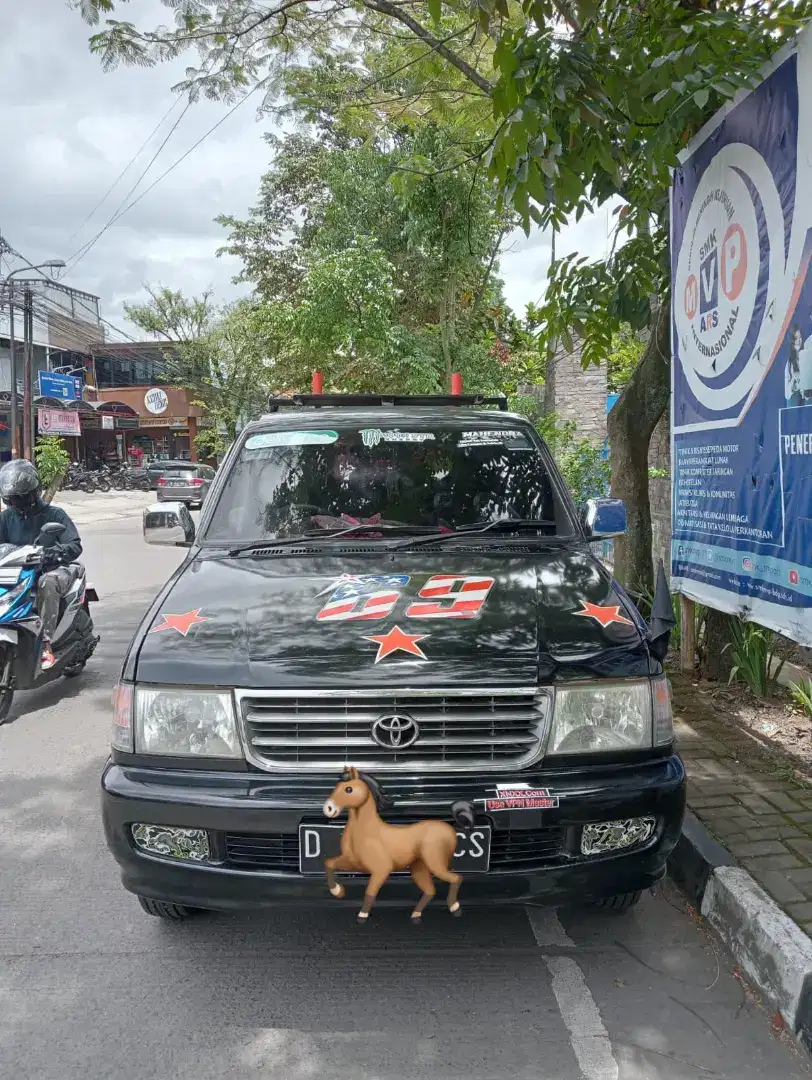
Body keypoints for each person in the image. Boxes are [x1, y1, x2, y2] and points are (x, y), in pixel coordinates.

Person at [0, 460, 82, 670]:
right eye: (12, 499)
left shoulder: (55, 515)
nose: (16, 502)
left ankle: (46, 642)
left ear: (33, 492)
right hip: (18, 573)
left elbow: (74, 546)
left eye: (20, 497)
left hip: (53, 569)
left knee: (47, 582)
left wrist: (51, 554)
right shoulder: (6, 518)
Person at [786, 325, 804, 407]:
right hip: (795, 403)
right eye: (796, 338)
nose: (798, 341)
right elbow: (787, 394)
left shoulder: (806, 357)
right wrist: (794, 381)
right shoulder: (789, 364)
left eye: (800, 337)